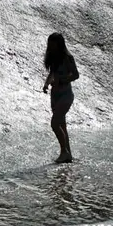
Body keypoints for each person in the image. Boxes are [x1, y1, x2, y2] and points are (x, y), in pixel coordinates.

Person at [42, 32, 79, 164]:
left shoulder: (68, 57)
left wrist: (62, 80)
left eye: (53, 45)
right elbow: (52, 73)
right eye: (49, 45)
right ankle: (68, 154)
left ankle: (64, 152)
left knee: (54, 123)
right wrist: (46, 84)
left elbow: (75, 75)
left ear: (60, 44)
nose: (51, 47)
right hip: (55, 95)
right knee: (62, 125)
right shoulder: (53, 57)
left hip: (66, 95)